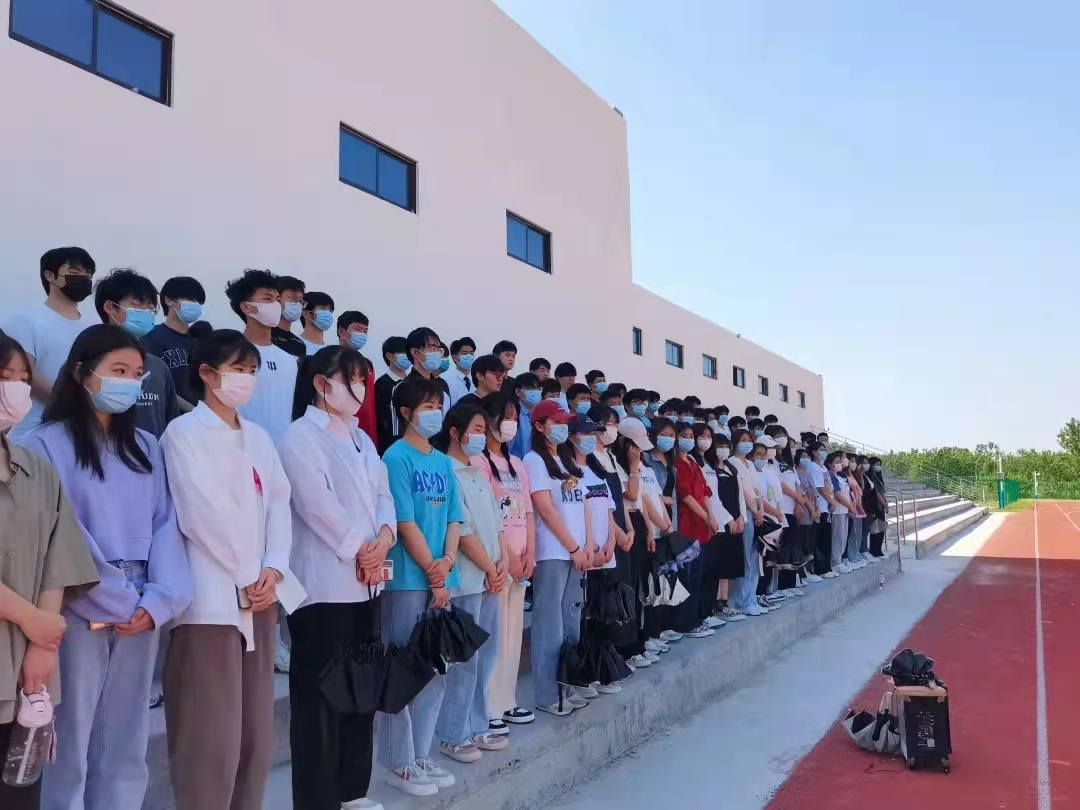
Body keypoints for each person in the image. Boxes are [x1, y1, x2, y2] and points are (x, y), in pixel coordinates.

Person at [23, 325, 192, 810]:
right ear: (82, 373)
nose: (129, 382)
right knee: (71, 737)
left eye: (137, 374)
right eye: (118, 370)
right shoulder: (43, 445)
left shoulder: (147, 445)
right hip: (76, 605)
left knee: (127, 736)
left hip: (140, 610)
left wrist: (159, 599)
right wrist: (116, 596)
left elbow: (166, 525)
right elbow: (61, 530)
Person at [160, 328, 305, 810]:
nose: (246, 379)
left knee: (254, 737)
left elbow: (279, 503)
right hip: (212, 602)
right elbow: (200, 512)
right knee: (210, 740)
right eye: (237, 369)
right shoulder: (183, 434)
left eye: (251, 371)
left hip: (261, 598)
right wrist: (248, 574)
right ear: (206, 373)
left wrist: (274, 569)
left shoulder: (259, 438)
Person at [278, 345, 393, 810]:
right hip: (324, 587)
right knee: (320, 700)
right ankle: (318, 799)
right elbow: (316, 505)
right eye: (351, 379)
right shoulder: (299, 437)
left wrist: (384, 539)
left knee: (360, 691)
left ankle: (353, 792)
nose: (360, 389)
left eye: (363, 380)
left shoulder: (363, 439)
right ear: (321, 384)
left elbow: (384, 497)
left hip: (368, 583)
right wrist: (361, 549)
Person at [0, 334, 99, 810]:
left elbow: (60, 554)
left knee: (20, 794)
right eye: (5, 378)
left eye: (24, 378)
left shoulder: (34, 467)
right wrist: (31, 619)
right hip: (23, 634)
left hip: (27, 666)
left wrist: (42, 642)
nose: (18, 389)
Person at [379, 377, 463, 797]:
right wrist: (433, 570)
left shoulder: (443, 462)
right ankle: (399, 762)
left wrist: (446, 563)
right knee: (404, 670)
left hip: (441, 577)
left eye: (438, 405)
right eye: (427, 406)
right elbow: (404, 522)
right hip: (409, 580)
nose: (435, 413)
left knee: (435, 669)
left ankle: (421, 752)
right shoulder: (395, 457)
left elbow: (454, 518)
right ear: (406, 412)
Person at [431, 403, 509, 765]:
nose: (482, 436)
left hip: (491, 577)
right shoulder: (446, 470)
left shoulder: (478, 471)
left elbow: (497, 523)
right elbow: (461, 531)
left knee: (486, 655)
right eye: (476, 429)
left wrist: (502, 562)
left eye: (483, 429)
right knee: (465, 660)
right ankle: (453, 733)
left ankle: (478, 724)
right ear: (454, 432)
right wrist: (490, 568)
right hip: (468, 579)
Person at [522, 401, 595, 717]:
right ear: (539, 427)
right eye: (557, 422)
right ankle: (547, 694)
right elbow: (545, 509)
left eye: (565, 423)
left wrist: (588, 545)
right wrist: (573, 547)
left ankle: (568, 684)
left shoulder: (566, 460)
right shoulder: (534, 460)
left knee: (571, 620)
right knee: (549, 624)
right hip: (553, 551)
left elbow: (583, 504)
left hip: (577, 552)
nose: (563, 428)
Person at [472, 394, 535, 732]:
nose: (510, 423)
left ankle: (508, 700)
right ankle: (489, 707)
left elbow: (528, 512)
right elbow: (488, 514)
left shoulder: (518, 465)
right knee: (495, 636)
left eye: (513, 417)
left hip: (521, 562)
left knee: (513, 635)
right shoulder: (479, 462)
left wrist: (529, 555)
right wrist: (509, 558)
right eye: (505, 416)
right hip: (498, 561)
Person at [1, 247, 95, 443]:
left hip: (82, 433)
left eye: (88, 274)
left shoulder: (93, 326)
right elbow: (26, 374)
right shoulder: (24, 321)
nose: (84, 279)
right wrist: (64, 405)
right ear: (50, 276)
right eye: (75, 272)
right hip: (33, 433)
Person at [93, 268, 181, 438]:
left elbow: (171, 424)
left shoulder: (158, 366)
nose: (146, 312)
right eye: (137, 305)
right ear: (110, 307)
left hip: (151, 454)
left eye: (150, 307)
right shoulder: (88, 362)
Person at [224, 269, 300, 443]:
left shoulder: (289, 360)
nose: (276, 305)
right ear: (246, 307)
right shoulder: (230, 357)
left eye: (277, 299)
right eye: (268, 299)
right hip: (243, 449)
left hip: (281, 453)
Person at [671, 422, 719, 638]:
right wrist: (705, 517)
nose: (689, 439)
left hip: (701, 527)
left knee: (697, 576)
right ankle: (685, 623)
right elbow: (685, 495)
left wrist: (711, 516)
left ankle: (695, 618)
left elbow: (705, 491)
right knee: (687, 577)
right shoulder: (676, 464)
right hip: (687, 526)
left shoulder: (692, 461)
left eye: (691, 436)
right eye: (684, 435)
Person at [143, 275, 206, 407]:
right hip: (169, 414)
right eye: (190, 299)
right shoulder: (152, 337)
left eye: (197, 301)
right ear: (169, 300)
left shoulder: (200, 340)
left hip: (201, 414)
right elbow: (154, 383)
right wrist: (190, 409)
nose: (195, 305)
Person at [725, 429, 767, 617]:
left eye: (749, 440)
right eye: (743, 440)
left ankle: (751, 597)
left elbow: (757, 490)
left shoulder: (750, 463)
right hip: (745, 512)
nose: (747, 443)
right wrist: (754, 510)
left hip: (757, 511)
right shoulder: (733, 462)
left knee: (756, 557)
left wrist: (761, 510)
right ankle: (741, 601)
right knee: (746, 560)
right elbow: (742, 490)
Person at [388, 327, 451, 443]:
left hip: (440, 449)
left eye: (438, 349)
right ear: (415, 352)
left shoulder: (442, 385)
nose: (436, 353)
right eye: (432, 348)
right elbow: (396, 429)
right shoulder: (404, 387)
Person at [334, 312, 377, 447]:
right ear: (342, 331)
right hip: (341, 432)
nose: (362, 335)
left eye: (365, 331)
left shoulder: (367, 364)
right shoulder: (331, 361)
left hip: (367, 433)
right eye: (358, 329)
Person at [375, 336, 409, 454]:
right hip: (389, 444)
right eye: (403, 352)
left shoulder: (413, 381)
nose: (407, 356)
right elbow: (380, 418)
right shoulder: (381, 384)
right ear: (389, 356)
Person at [825, 452, 853, 575]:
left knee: (843, 538)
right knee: (837, 538)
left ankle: (839, 559)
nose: (839, 464)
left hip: (845, 510)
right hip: (837, 511)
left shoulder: (840, 477)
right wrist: (850, 506)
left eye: (840, 462)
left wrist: (850, 506)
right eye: (836, 462)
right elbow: (837, 494)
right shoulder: (830, 476)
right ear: (829, 464)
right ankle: (835, 562)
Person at [270, 275, 307, 359]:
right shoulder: (266, 336)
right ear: (277, 299)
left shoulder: (299, 344)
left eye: (300, 301)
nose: (297, 304)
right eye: (292, 298)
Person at [509, 373, 541, 459]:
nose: (535, 392)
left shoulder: (542, 414)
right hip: (518, 462)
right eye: (529, 388)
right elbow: (508, 447)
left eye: (537, 389)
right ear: (518, 392)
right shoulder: (513, 414)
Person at [846, 455, 869, 568]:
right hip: (852, 507)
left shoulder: (854, 475)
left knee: (858, 534)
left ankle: (856, 554)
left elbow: (861, 488)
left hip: (858, 507)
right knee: (852, 534)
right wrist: (856, 506)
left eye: (855, 461)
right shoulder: (845, 475)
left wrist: (860, 473)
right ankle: (851, 556)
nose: (854, 464)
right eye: (852, 461)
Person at [298, 291, 335, 356]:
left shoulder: (332, 352)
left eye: (330, 310)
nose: (328, 314)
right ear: (306, 314)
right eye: (323, 309)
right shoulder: (294, 346)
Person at [864, 457, 888, 557]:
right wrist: (884, 504)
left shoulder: (878, 477)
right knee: (875, 529)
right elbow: (877, 493)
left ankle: (878, 549)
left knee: (881, 528)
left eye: (880, 465)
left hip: (881, 506)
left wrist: (886, 502)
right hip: (876, 505)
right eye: (876, 464)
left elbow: (882, 492)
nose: (879, 467)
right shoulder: (871, 477)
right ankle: (874, 549)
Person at [445, 337, 477, 406]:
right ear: (455, 357)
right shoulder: (446, 380)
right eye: (464, 353)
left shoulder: (478, 378)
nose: (469, 356)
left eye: (471, 353)